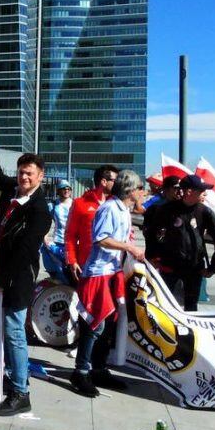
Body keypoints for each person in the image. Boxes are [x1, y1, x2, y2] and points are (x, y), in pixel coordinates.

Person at [70, 170, 146, 397]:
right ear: (131, 191)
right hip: (98, 273)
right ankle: (81, 372)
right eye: (141, 188)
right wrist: (129, 247)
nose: (143, 193)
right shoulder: (110, 208)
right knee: (94, 324)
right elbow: (101, 239)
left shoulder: (123, 210)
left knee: (110, 322)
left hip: (112, 272)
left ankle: (98, 368)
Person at [0, 151, 52, 416]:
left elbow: (25, 251)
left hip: (17, 278)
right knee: (4, 329)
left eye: (30, 173)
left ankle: (20, 392)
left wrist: (3, 280)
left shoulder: (40, 211)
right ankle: (10, 376)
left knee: (14, 332)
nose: (24, 177)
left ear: (41, 176)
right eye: (21, 172)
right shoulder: (12, 190)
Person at [145, 174, 215, 311]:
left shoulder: (205, 212)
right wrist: (153, 257)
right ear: (189, 192)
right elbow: (152, 234)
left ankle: (190, 332)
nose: (205, 194)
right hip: (169, 267)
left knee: (191, 307)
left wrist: (214, 267)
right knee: (164, 304)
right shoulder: (166, 210)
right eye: (201, 191)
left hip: (194, 268)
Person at [64, 165, 119, 282]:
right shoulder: (80, 203)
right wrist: (72, 261)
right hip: (87, 265)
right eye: (115, 181)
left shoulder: (117, 204)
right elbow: (70, 235)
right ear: (104, 181)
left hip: (113, 265)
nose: (118, 184)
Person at [41, 179, 73, 284]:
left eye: (68, 188)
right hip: (58, 241)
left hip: (72, 242)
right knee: (59, 271)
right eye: (64, 188)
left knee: (72, 271)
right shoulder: (53, 205)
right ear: (58, 191)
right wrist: (45, 240)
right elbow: (45, 223)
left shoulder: (76, 204)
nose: (66, 190)